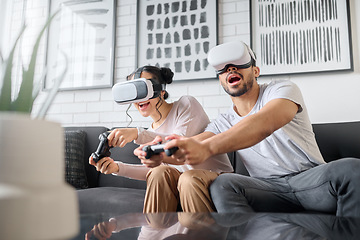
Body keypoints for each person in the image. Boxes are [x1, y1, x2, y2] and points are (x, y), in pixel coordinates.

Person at [159, 41, 360, 217]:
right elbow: (194, 143)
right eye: (223, 69)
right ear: (220, 79)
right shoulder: (223, 121)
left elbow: (263, 123)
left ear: (255, 71)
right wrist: (163, 150)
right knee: (223, 184)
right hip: (267, 189)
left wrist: (209, 147)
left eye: (238, 64)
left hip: (310, 180)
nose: (231, 69)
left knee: (351, 168)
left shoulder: (282, 90)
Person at [89, 65, 233, 213]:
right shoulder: (151, 132)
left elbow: (178, 145)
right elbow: (153, 170)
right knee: (159, 172)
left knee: (188, 178)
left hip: (215, 176)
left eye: (144, 89)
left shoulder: (185, 105)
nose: (140, 97)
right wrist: (117, 168)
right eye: (134, 91)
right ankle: (152, 233)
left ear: (161, 91)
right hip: (181, 183)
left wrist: (138, 134)